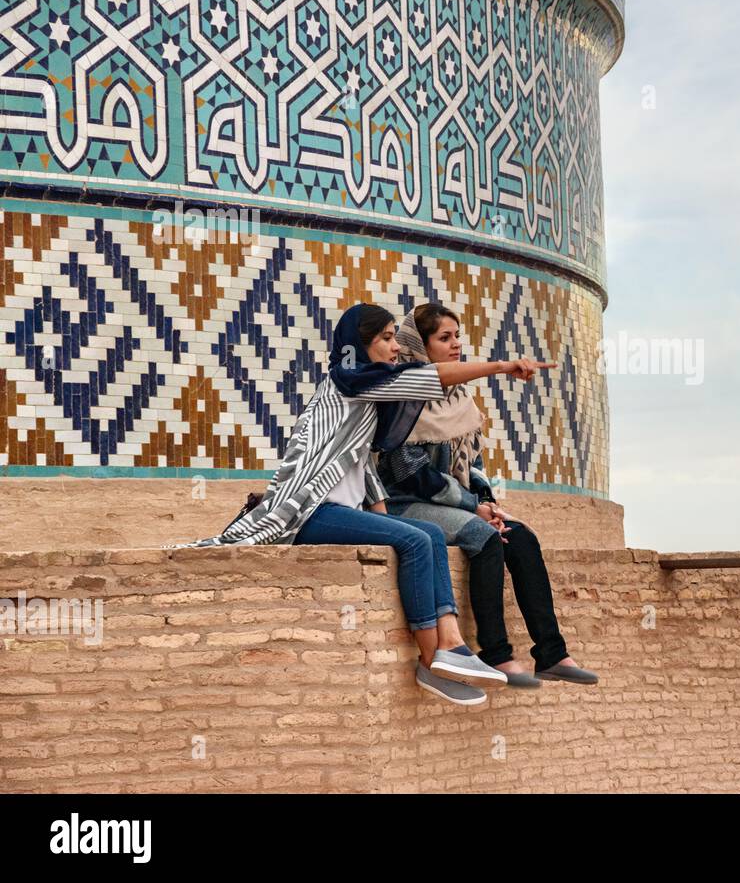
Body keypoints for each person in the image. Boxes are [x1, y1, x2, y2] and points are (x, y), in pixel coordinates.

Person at [177, 303, 547, 706]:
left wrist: (384, 515)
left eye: (394, 337)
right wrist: (502, 367)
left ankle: (449, 649)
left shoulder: (364, 396)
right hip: (308, 511)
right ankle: (434, 658)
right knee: (417, 541)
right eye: (385, 339)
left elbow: (360, 465)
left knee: (426, 533)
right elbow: (431, 376)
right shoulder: (351, 381)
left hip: (338, 512)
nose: (394, 347)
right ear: (361, 344)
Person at [375, 302, 598, 688]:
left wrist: (487, 502)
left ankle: (551, 653)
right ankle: (496, 656)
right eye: (444, 338)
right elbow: (408, 472)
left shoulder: (458, 395)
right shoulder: (403, 397)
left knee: (521, 536)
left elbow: (470, 462)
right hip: (404, 503)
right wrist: (472, 508)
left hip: (455, 499)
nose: (456, 344)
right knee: (484, 538)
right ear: (420, 345)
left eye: (457, 336)